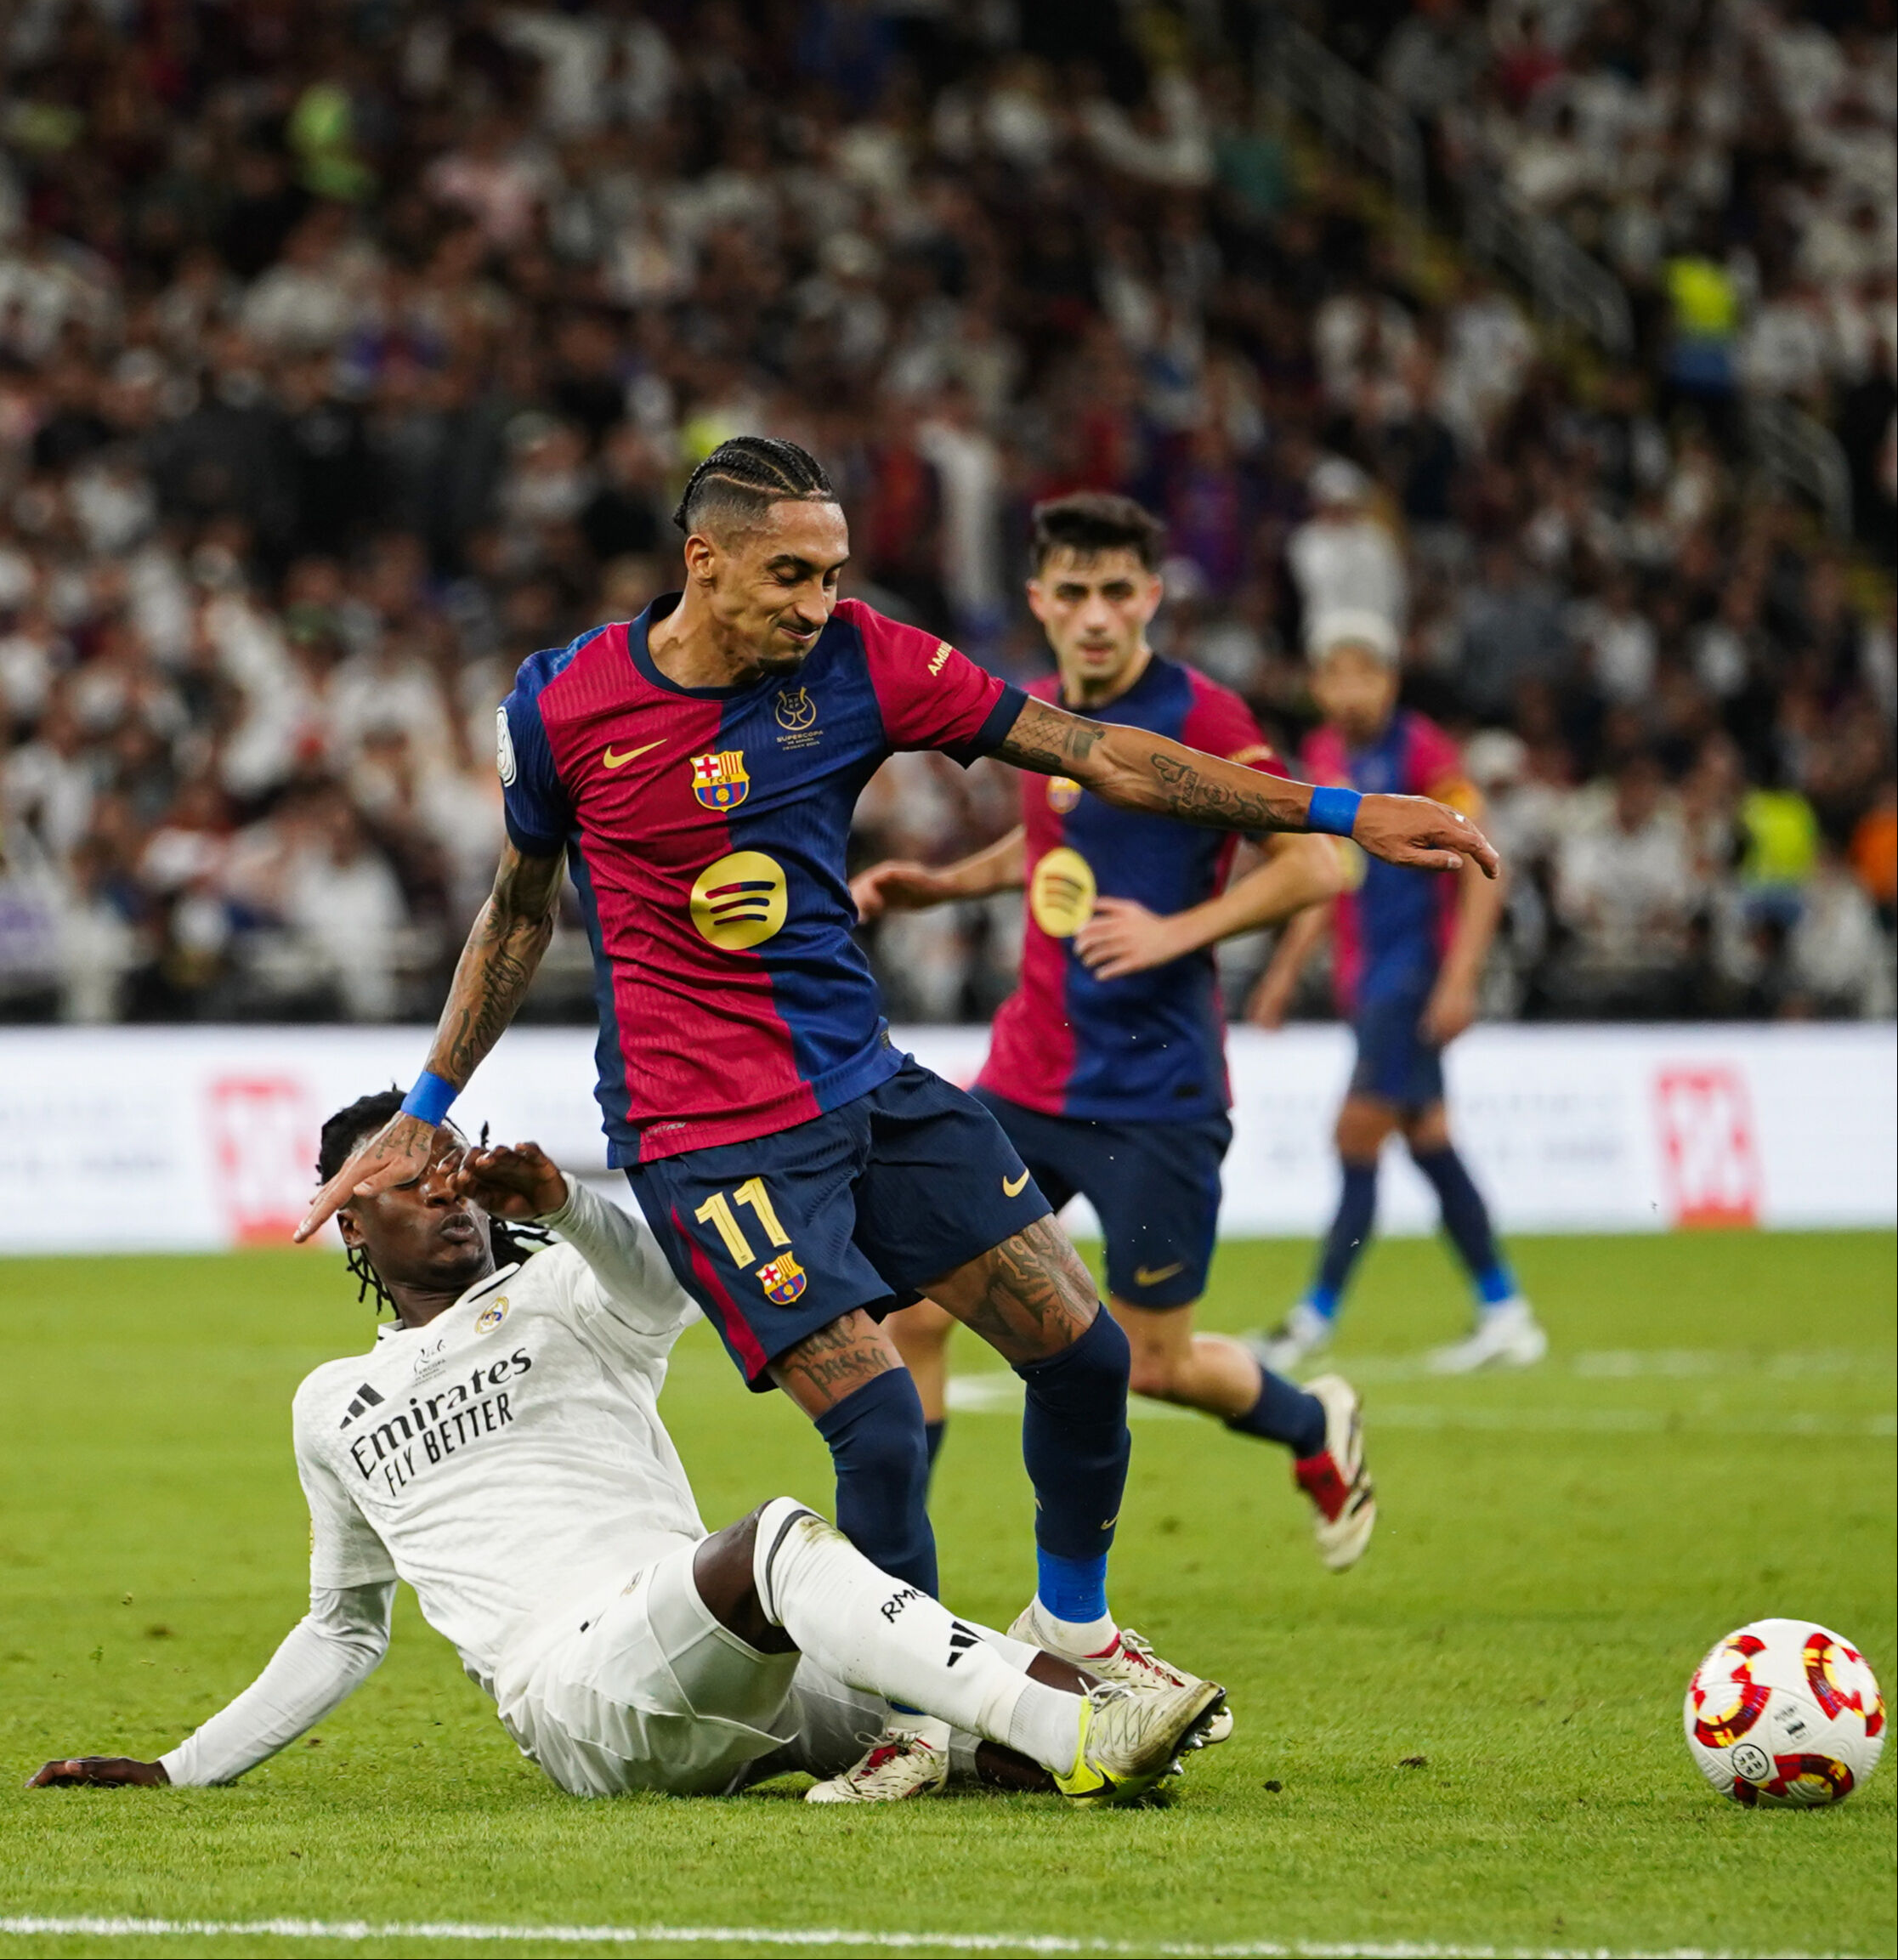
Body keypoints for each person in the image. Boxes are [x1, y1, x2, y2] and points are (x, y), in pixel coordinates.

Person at [297, 438, 1493, 1796]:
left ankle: (1075, 1631)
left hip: (866, 1089)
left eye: (833, 573)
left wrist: (1338, 808)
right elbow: (520, 905)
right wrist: (431, 1100)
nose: (818, 601)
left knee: (1092, 1357)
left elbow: (1096, 751)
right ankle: (909, 1720)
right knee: (874, 1421)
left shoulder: (861, 660)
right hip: (706, 1137)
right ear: (706, 561)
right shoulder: (564, 703)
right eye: (790, 573)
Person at [31, 1093, 1223, 1809]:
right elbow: (345, 1625)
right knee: (778, 1541)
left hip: (730, 1658)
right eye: (411, 1183)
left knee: (978, 1740)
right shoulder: (332, 1401)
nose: (451, 1199)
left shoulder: (567, 1285)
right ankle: (1086, 1721)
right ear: (351, 1217)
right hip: (579, 1691)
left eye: (459, 1174)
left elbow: (662, 1283)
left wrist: (564, 1200)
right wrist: (181, 1768)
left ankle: (1090, 1718)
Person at [851, 493, 1375, 1571]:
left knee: (1152, 1361)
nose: (1096, 614)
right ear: (1041, 601)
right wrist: (941, 887)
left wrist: (1180, 926)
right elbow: (1043, 843)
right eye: (1074, 592)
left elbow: (1320, 860)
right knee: (917, 1311)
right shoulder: (1040, 709)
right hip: (1025, 1081)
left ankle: (1308, 1422)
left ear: (1152, 598)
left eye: (1117, 592)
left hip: (1158, 1098)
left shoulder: (1205, 719)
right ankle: (896, 1578)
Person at [1252, 615, 1546, 1374]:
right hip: (1367, 977)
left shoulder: (1422, 752)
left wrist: (1458, 978)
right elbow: (1327, 876)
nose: (1350, 691)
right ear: (1317, 685)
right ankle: (1504, 1308)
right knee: (1429, 1141)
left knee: (1353, 1136)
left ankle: (1311, 1319)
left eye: (1366, 674)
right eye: (1336, 675)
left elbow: (1486, 863)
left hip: (1411, 975)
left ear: (1390, 681)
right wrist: (1287, 968)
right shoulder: (1321, 756)